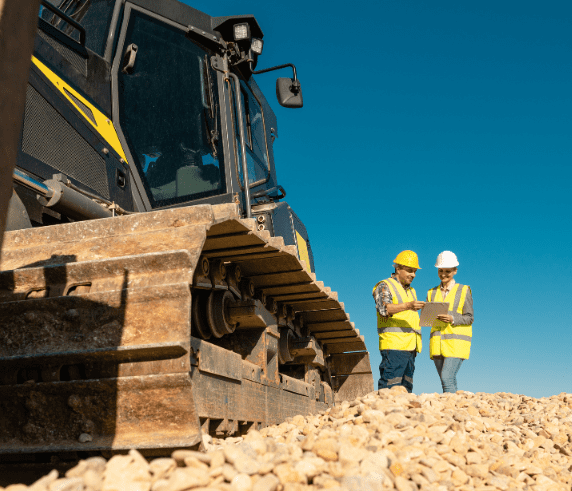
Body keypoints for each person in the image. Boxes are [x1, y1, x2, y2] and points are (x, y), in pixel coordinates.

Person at [372, 250, 425, 393]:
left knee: (406, 389)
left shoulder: (411, 291)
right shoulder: (384, 285)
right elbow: (384, 309)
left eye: (414, 271)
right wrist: (409, 305)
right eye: (409, 270)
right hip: (394, 346)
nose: (413, 275)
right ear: (397, 268)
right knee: (389, 388)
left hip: (411, 348)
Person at [427, 251, 474, 393]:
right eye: (440, 270)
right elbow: (429, 318)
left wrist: (452, 318)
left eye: (447, 271)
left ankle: (449, 409)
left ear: (455, 271)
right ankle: (453, 409)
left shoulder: (464, 290)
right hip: (437, 343)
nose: (443, 274)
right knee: (446, 380)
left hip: (456, 343)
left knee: (447, 377)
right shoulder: (431, 292)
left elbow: (469, 317)